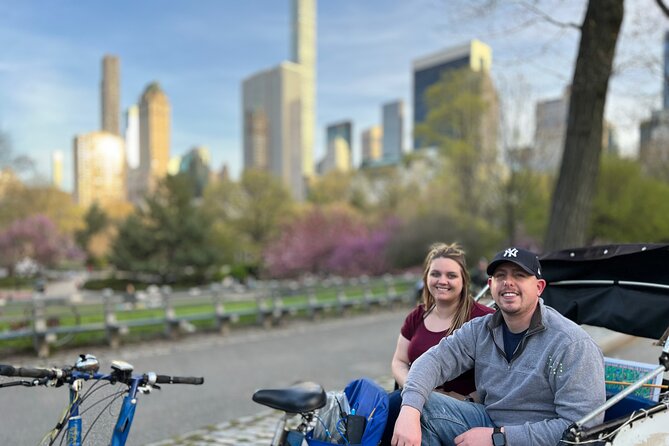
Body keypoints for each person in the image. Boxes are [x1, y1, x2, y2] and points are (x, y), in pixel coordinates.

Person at [392, 247, 606, 446]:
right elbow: (433, 361)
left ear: (539, 287)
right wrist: (409, 410)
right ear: (491, 285)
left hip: (535, 437)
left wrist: (499, 438)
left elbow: (582, 426)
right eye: (501, 276)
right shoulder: (480, 329)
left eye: (519, 275)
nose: (508, 282)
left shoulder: (572, 344)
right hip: (486, 420)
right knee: (420, 404)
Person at [381, 243, 495, 445]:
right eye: (435, 274)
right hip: (418, 399)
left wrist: (464, 399)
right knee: (388, 405)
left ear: (463, 281)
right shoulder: (417, 316)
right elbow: (399, 361)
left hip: (464, 408)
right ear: (426, 278)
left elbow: (499, 377)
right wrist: (416, 389)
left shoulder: (483, 319)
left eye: (451, 275)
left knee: (396, 405)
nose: (442, 281)